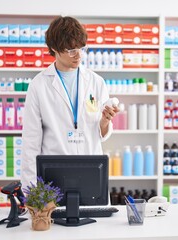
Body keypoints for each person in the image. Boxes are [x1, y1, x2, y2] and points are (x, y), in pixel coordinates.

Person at [21, 16, 119, 188]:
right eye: (71, 50)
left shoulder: (96, 82)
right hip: (54, 175)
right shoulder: (39, 85)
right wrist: (31, 194)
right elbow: (31, 143)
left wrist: (104, 122)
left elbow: (101, 134)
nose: (79, 55)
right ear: (54, 49)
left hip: (91, 171)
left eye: (82, 48)